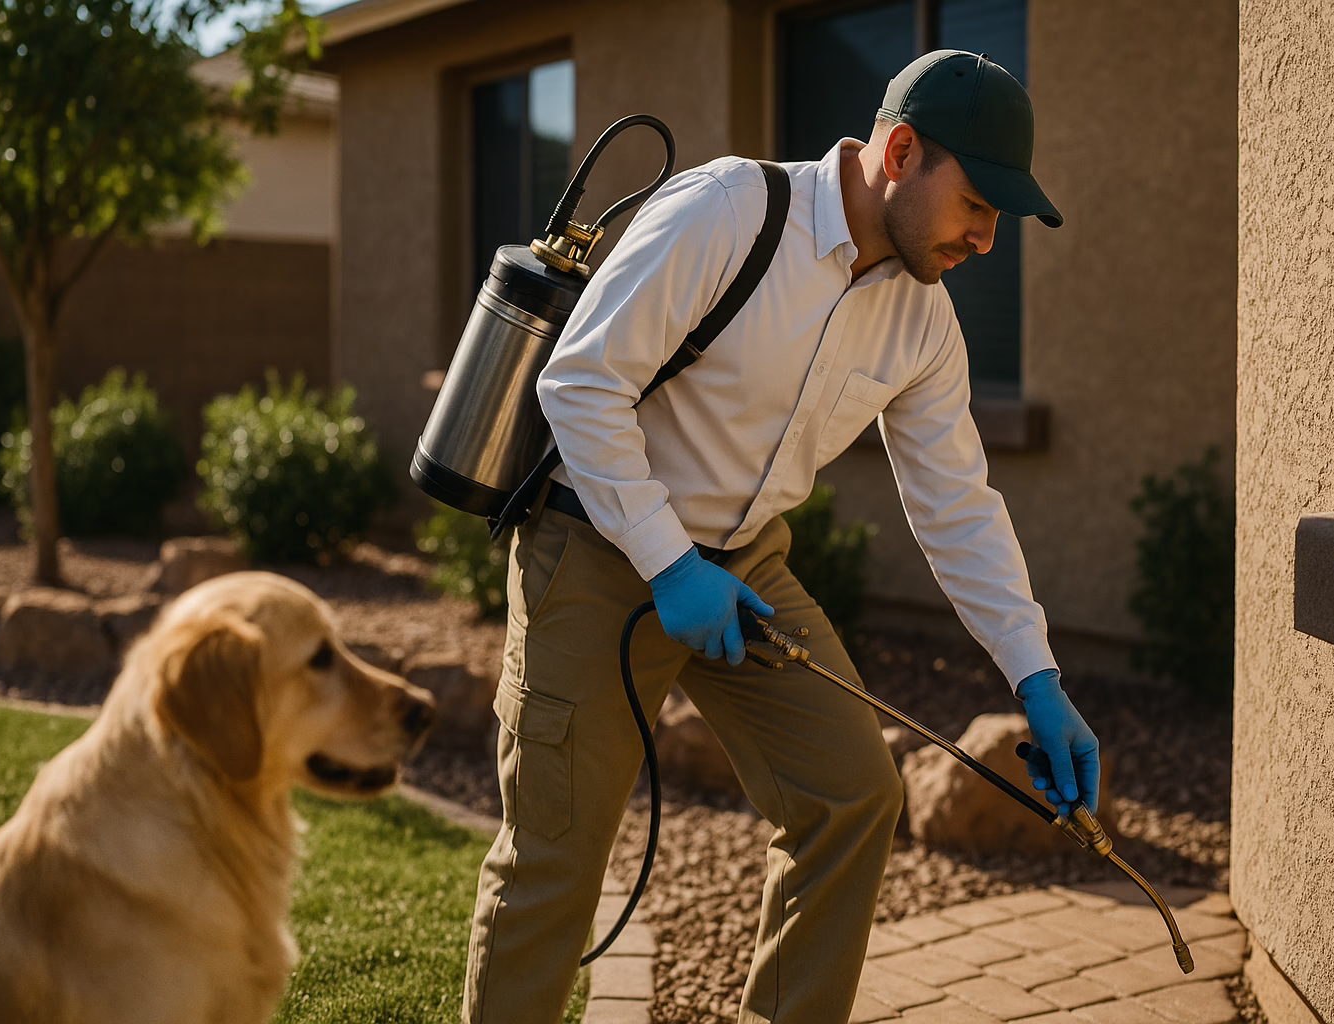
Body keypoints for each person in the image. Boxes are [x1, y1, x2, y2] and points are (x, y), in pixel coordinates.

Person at [461, 49, 1100, 1024]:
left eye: (1000, 218)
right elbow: (578, 386)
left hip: (745, 570)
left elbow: (957, 503)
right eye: (978, 204)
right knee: (555, 858)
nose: (987, 238)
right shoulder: (726, 213)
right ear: (900, 151)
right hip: (594, 553)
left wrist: (1036, 677)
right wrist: (670, 563)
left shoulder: (923, 323)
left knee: (853, 796)